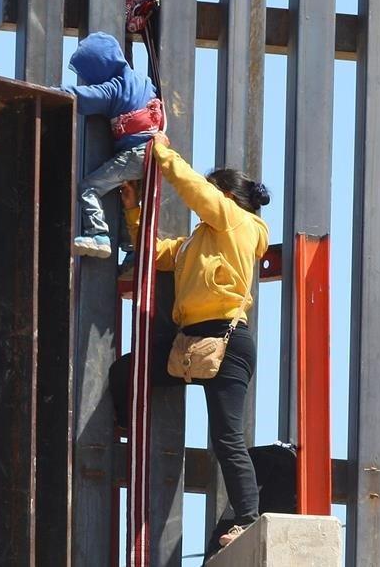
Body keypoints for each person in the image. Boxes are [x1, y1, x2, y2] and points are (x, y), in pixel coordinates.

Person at [109, 131, 271, 551]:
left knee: (226, 437)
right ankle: (125, 430)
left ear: (225, 197)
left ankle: (249, 518)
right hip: (192, 345)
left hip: (227, 341)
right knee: (127, 371)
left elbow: (195, 191)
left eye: (212, 194)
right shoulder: (196, 243)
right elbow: (156, 252)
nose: (204, 205)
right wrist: (134, 212)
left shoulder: (238, 222)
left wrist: (161, 153)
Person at [59, 31, 160, 258]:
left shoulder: (115, 88)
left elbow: (81, 96)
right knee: (130, 198)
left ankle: (98, 235)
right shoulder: (142, 80)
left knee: (89, 187)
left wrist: (52, 92)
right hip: (155, 154)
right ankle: (132, 250)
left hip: (135, 153)